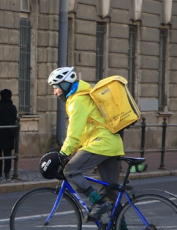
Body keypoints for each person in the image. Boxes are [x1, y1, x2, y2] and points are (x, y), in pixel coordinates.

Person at [47, 66, 124, 219]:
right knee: (110, 193)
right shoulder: (84, 95)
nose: (55, 92)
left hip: (101, 144)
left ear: (65, 85)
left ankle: (98, 203)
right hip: (112, 144)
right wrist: (71, 150)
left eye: (56, 88)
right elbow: (84, 132)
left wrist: (63, 153)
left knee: (70, 170)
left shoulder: (77, 101)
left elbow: (74, 133)